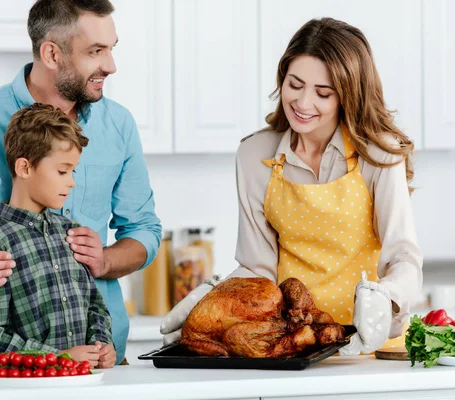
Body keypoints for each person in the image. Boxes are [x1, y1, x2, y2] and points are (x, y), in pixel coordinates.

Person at [0, 0, 161, 369]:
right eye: (95, 51)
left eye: (111, 49)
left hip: (99, 362)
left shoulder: (118, 125)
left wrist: (106, 259)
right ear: (51, 53)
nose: (110, 65)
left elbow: (144, 229)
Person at [161, 17, 422, 355]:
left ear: (348, 95)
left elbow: (403, 255)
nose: (302, 102)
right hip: (290, 345)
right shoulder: (254, 154)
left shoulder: (378, 154)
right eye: (294, 84)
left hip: (370, 346)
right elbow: (258, 267)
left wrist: (385, 298)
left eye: (323, 93)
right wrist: (214, 296)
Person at [0, 103, 115, 368]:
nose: (71, 181)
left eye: (72, 171)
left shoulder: (70, 232)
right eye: (62, 171)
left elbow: (95, 307)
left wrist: (101, 345)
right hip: (31, 390)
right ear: (24, 168)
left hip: (85, 383)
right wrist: (57, 358)